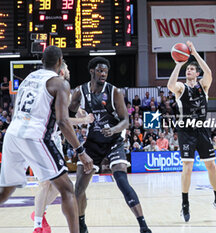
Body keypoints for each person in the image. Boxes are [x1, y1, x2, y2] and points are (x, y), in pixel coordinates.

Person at [0, 46, 93, 233]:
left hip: (12, 134)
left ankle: (38, 219)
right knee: (67, 189)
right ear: (60, 62)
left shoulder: (27, 78)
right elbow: (62, 121)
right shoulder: (60, 83)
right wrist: (81, 152)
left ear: (43, 61)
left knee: (5, 191)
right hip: (35, 137)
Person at [68, 57, 151, 233]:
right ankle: (82, 224)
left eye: (105, 71)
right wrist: (81, 118)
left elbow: (126, 121)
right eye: (100, 70)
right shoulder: (79, 92)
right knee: (79, 188)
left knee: (122, 180)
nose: (103, 73)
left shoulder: (114, 92)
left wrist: (113, 130)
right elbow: (67, 118)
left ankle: (143, 226)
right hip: (92, 143)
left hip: (113, 141)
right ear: (92, 71)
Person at [31, 61, 95, 233]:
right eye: (66, 68)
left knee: (56, 186)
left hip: (51, 141)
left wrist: (79, 109)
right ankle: (37, 221)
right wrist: (83, 120)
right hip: (44, 140)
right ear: (60, 71)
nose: (68, 71)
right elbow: (63, 122)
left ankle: (39, 213)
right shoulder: (56, 86)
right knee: (48, 184)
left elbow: (65, 111)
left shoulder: (57, 89)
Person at [167, 41, 216, 222]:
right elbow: (170, 85)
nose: (189, 71)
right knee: (188, 167)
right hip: (185, 130)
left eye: (192, 70)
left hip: (201, 130)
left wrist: (195, 54)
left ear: (197, 73)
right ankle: (185, 204)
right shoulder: (181, 88)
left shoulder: (203, 86)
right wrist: (178, 64)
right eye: (188, 70)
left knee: (211, 166)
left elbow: (209, 73)